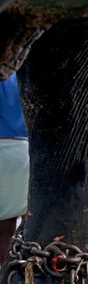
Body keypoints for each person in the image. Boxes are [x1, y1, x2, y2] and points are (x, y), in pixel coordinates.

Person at [0, 72, 29, 265]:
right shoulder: (27, 75)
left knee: (4, 226)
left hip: (5, 148)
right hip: (30, 149)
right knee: (23, 224)